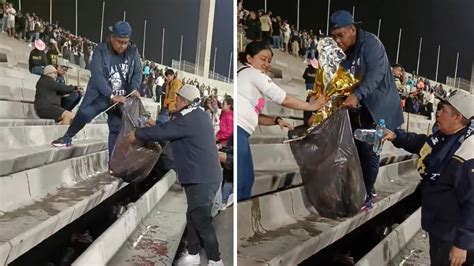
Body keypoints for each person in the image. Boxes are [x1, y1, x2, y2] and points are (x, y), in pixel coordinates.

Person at [126, 85, 224, 266]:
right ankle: (193, 253)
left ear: (184, 101)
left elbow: (166, 132)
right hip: (201, 175)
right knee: (193, 215)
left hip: (202, 177)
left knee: (201, 219)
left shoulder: (188, 119)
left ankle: (215, 260)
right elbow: (171, 128)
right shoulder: (199, 115)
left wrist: (139, 133)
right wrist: (154, 124)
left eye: (178, 98)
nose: (176, 101)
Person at [383, 89, 474, 266]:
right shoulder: (446, 139)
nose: (437, 113)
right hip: (440, 229)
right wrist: (396, 136)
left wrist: (462, 244)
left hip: (453, 236)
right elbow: (421, 143)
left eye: (443, 109)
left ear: (457, 117)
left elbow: (472, 202)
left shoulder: (467, 152)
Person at [329, 10, 404, 209]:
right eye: (334, 36)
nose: (337, 40)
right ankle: (356, 190)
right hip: (360, 110)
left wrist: (357, 94)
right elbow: (341, 80)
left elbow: (377, 73)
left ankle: (369, 193)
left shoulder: (371, 43)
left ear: (352, 29)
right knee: (354, 148)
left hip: (377, 110)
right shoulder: (347, 52)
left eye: (340, 35)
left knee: (369, 150)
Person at [237, 41, 328, 201]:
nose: (266, 64)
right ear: (249, 58)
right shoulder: (253, 74)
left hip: (242, 133)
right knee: (242, 182)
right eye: (263, 59)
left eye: (269, 61)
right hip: (238, 131)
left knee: (246, 180)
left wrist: (276, 120)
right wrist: (311, 106)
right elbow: (283, 98)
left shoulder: (247, 75)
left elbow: (256, 117)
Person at [51, 21, 142, 157]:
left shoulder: (132, 51)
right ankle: (67, 137)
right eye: (119, 42)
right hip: (103, 95)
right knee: (84, 114)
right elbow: (97, 74)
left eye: (125, 42)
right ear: (112, 37)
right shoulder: (101, 49)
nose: (123, 45)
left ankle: (113, 163)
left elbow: (138, 72)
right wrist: (111, 95)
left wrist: (134, 88)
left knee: (116, 128)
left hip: (121, 97)